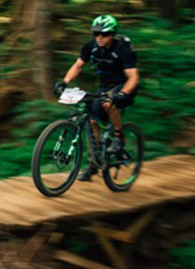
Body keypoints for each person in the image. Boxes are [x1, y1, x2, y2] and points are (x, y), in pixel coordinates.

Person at [53, 14, 140, 180]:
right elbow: (78, 65)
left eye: (104, 34)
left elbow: (134, 77)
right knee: (91, 120)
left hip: (125, 86)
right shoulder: (91, 47)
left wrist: (123, 94)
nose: (99, 37)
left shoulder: (122, 49)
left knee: (108, 102)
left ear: (112, 34)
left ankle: (118, 137)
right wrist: (64, 82)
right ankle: (94, 163)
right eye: (96, 34)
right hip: (105, 86)